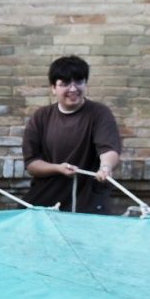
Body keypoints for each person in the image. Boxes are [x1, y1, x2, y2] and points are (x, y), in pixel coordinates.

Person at [22, 55, 123, 213]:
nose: (73, 89)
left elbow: (108, 149)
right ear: (54, 88)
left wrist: (105, 167)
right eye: (65, 83)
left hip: (88, 198)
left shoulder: (100, 113)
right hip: (46, 197)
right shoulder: (40, 117)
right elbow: (32, 164)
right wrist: (57, 168)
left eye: (79, 81)